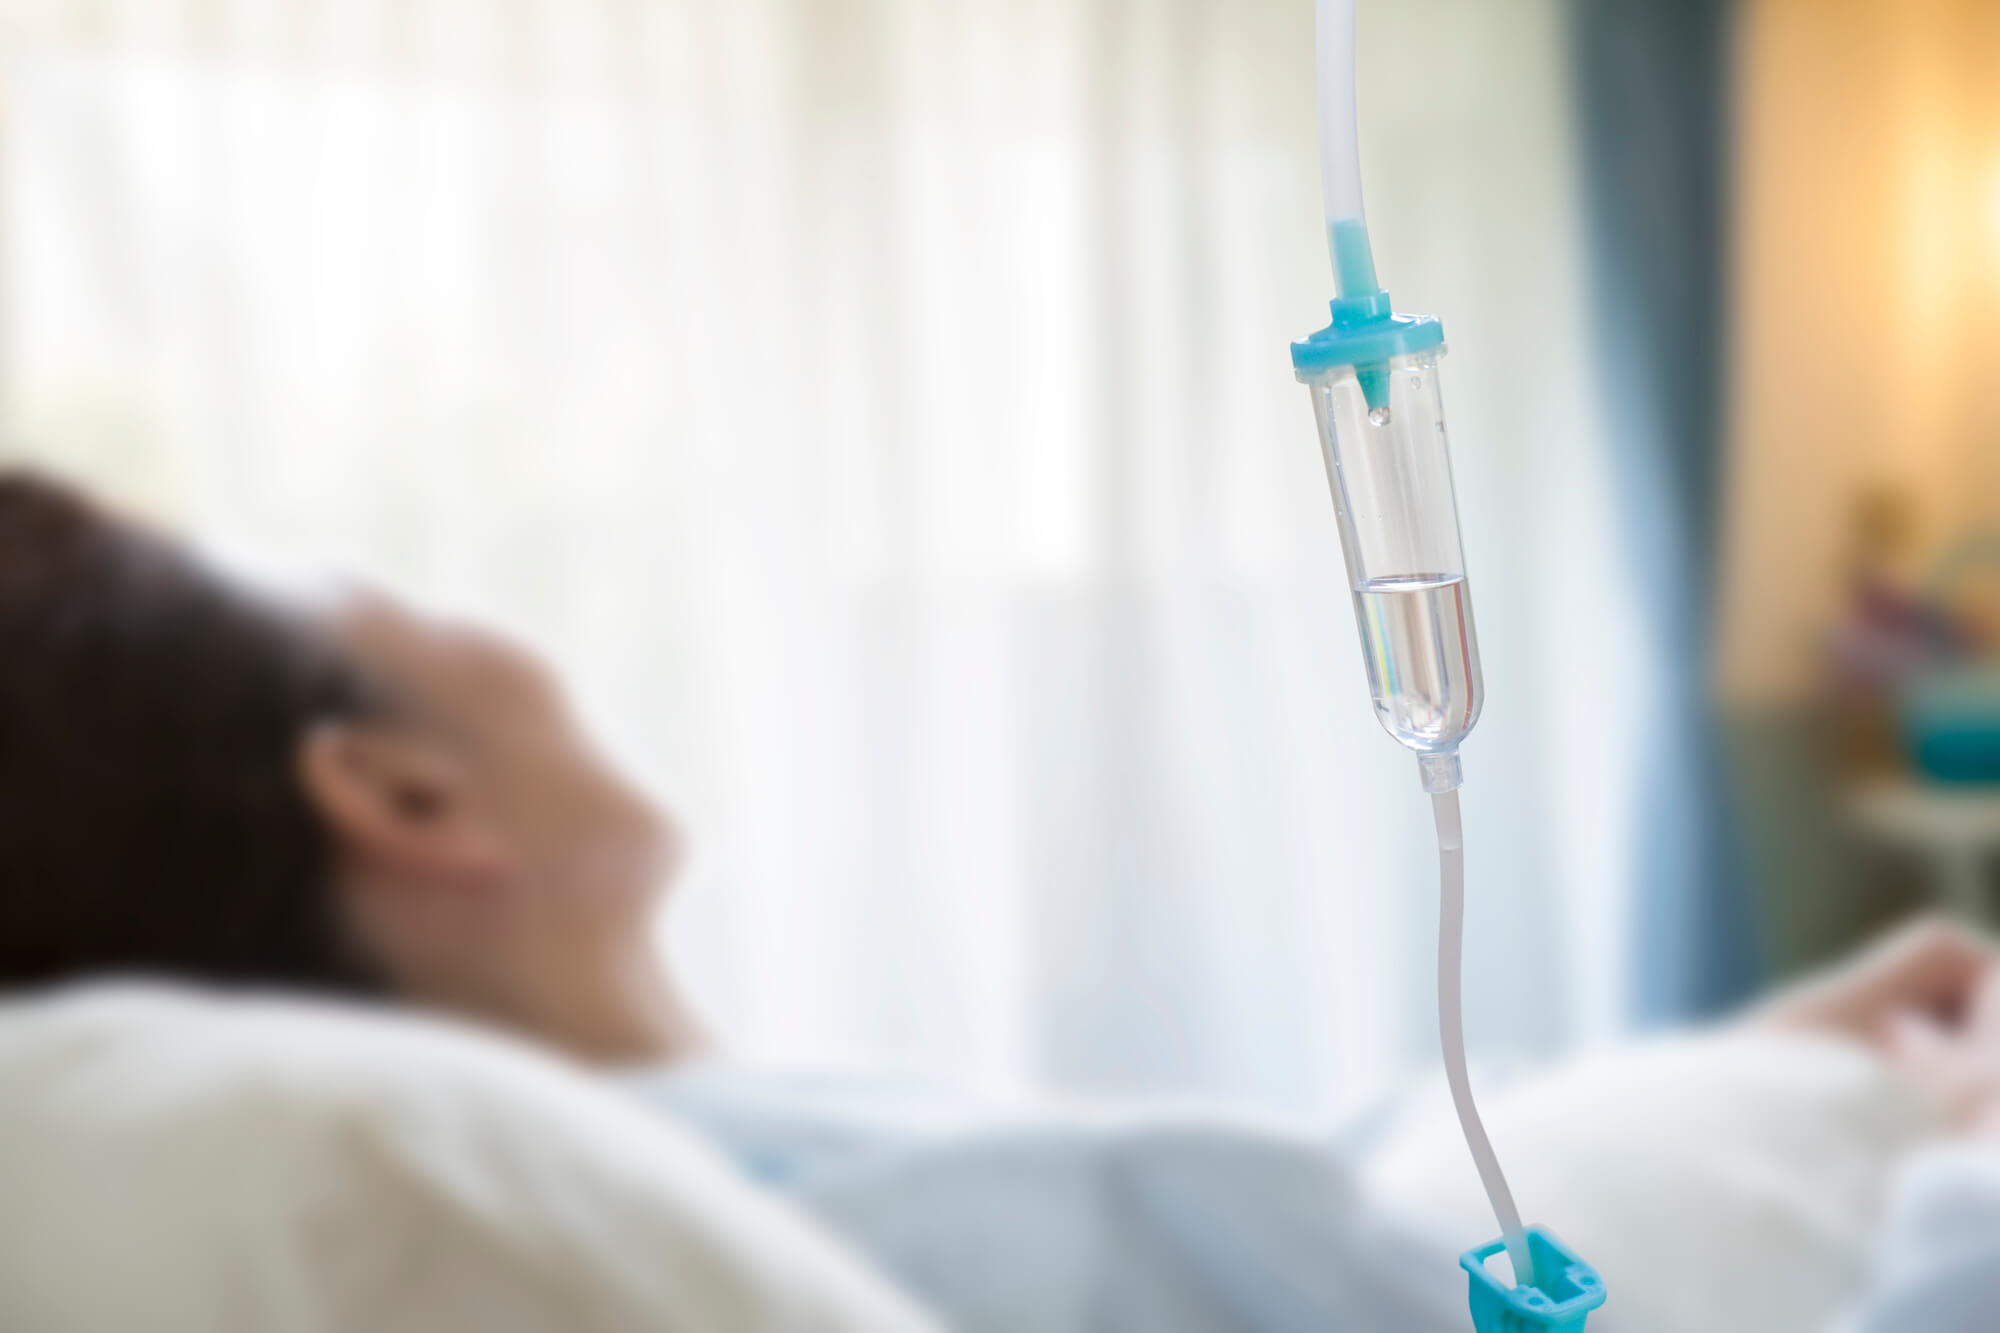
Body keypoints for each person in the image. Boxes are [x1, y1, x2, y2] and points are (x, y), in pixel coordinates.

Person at [3, 465, 2000, 1331]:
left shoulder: (790, 1185)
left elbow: (1329, 1207)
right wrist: (1967, 1182)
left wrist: (1749, 1076)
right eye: (401, 597)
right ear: (402, 791)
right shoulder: (959, 1239)